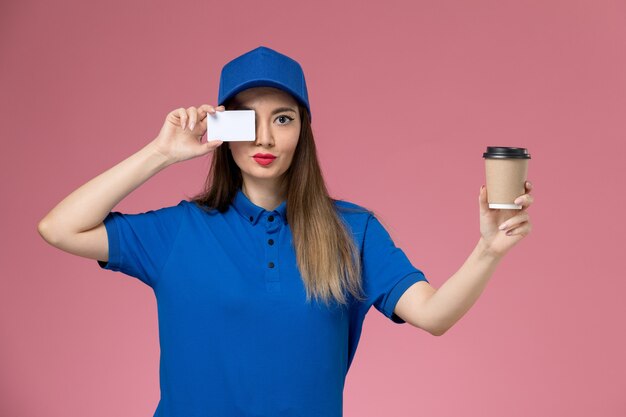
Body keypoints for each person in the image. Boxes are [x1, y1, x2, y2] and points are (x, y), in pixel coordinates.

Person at [37, 45, 534, 417]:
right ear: (221, 131)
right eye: (246, 120)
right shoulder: (178, 232)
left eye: (282, 118)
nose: (265, 138)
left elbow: (433, 314)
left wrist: (489, 249)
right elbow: (59, 228)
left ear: (303, 130)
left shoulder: (351, 231)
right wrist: (161, 152)